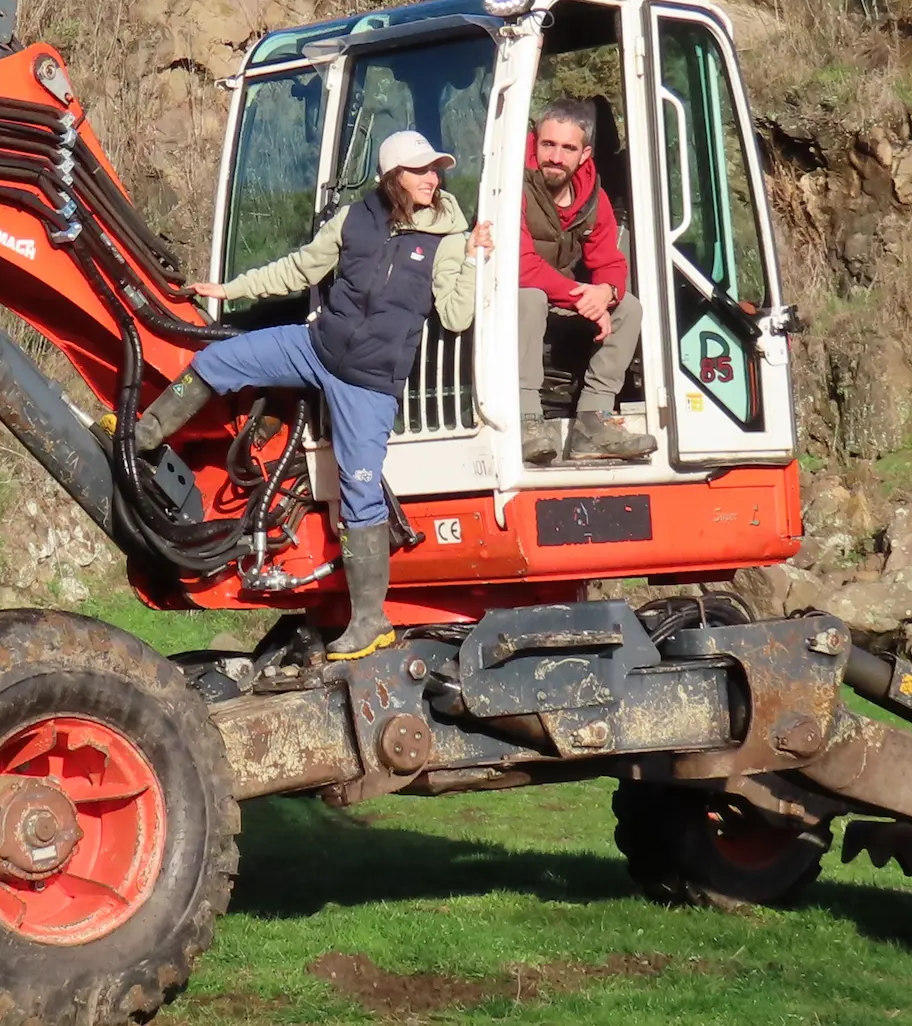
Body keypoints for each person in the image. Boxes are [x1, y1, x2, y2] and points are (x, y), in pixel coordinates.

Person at [135, 130, 493, 660]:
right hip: (315, 347)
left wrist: (470, 258)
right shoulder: (355, 218)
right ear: (393, 176)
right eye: (421, 171)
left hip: (368, 384)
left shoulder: (447, 237)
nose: (432, 179)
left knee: (361, 494)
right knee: (218, 361)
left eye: (436, 170)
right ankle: (141, 435)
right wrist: (230, 290)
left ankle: (370, 621)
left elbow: (457, 316)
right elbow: (300, 268)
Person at [518, 98, 655, 464]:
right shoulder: (512, 185)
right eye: (548, 145)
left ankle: (593, 423)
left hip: (562, 300)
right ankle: (526, 419)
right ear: (535, 142)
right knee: (527, 297)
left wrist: (606, 292)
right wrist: (582, 297)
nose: (556, 157)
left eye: (568, 148)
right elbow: (520, 265)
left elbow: (610, 261)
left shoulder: (594, 197)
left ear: (585, 154)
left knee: (629, 308)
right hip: (519, 302)